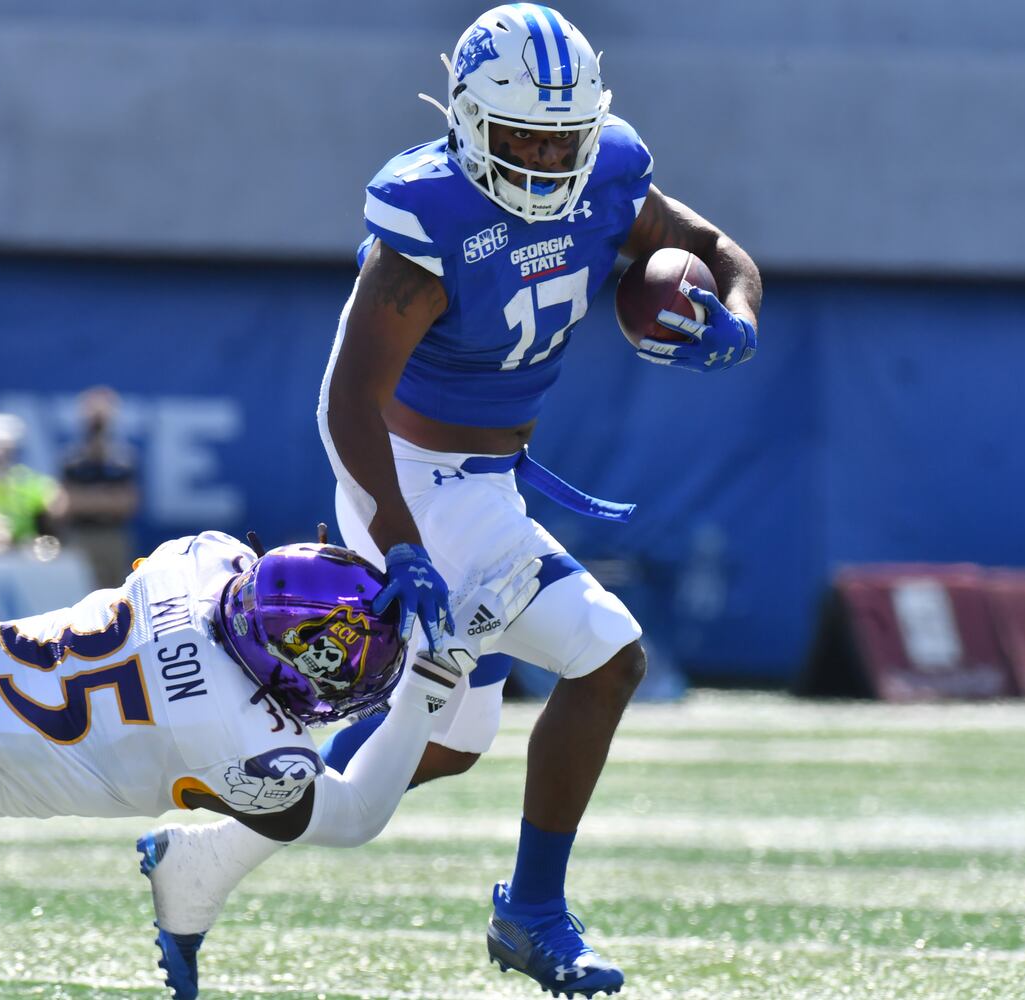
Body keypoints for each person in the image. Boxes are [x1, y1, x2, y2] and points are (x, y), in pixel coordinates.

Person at [138, 6, 762, 999]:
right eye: (521, 136)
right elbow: (348, 398)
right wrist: (398, 540)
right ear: (468, 120)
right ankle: (532, 914)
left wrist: (736, 316)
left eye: (565, 137)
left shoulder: (606, 174)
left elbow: (714, 246)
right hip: (416, 488)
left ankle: (203, 853)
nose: (546, 157)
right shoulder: (433, 215)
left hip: (487, 486)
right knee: (610, 657)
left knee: (441, 745)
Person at [0, 528, 540, 999]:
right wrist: (431, 686)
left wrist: (365, 585)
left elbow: (275, 594)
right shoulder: (243, 745)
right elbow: (355, 814)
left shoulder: (203, 560)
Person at [60, 386, 141, 589]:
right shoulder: (73, 461)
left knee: (117, 592)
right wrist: (107, 498)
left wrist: (88, 498)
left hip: (113, 535)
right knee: (80, 590)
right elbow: (67, 504)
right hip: (82, 535)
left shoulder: (123, 460)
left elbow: (128, 503)